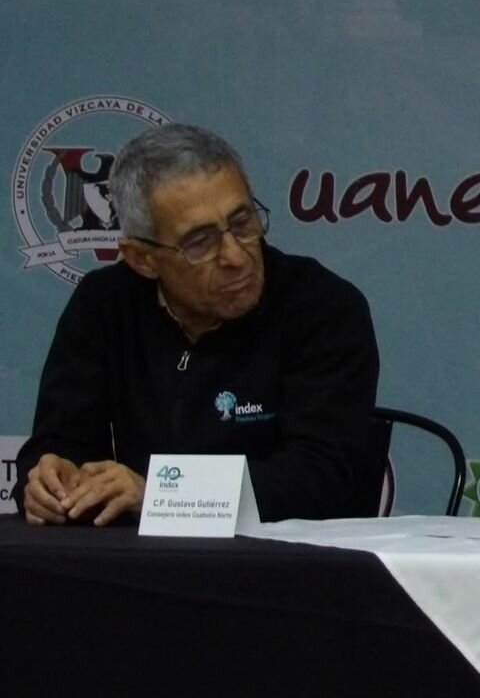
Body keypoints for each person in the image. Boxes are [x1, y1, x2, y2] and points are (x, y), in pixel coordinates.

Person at [16, 123, 386, 526]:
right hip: (137, 555)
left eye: (243, 223)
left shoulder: (323, 306)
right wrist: (50, 483)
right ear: (142, 259)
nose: (236, 257)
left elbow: (323, 475)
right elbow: (59, 442)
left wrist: (161, 495)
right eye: (200, 243)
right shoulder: (104, 304)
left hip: (286, 555)